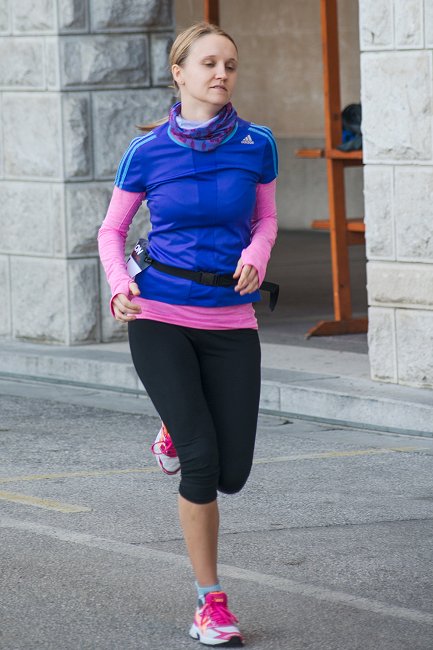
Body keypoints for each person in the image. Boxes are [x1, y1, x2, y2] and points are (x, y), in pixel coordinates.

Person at [98, 21, 278, 647]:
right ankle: (210, 602)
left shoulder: (257, 144)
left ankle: (174, 426)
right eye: (208, 63)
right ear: (179, 73)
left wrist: (257, 253)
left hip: (231, 318)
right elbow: (111, 230)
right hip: (159, 314)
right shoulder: (146, 151)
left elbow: (266, 219)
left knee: (233, 473)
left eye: (230, 64)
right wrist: (119, 284)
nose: (221, 73)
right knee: (202, 463)